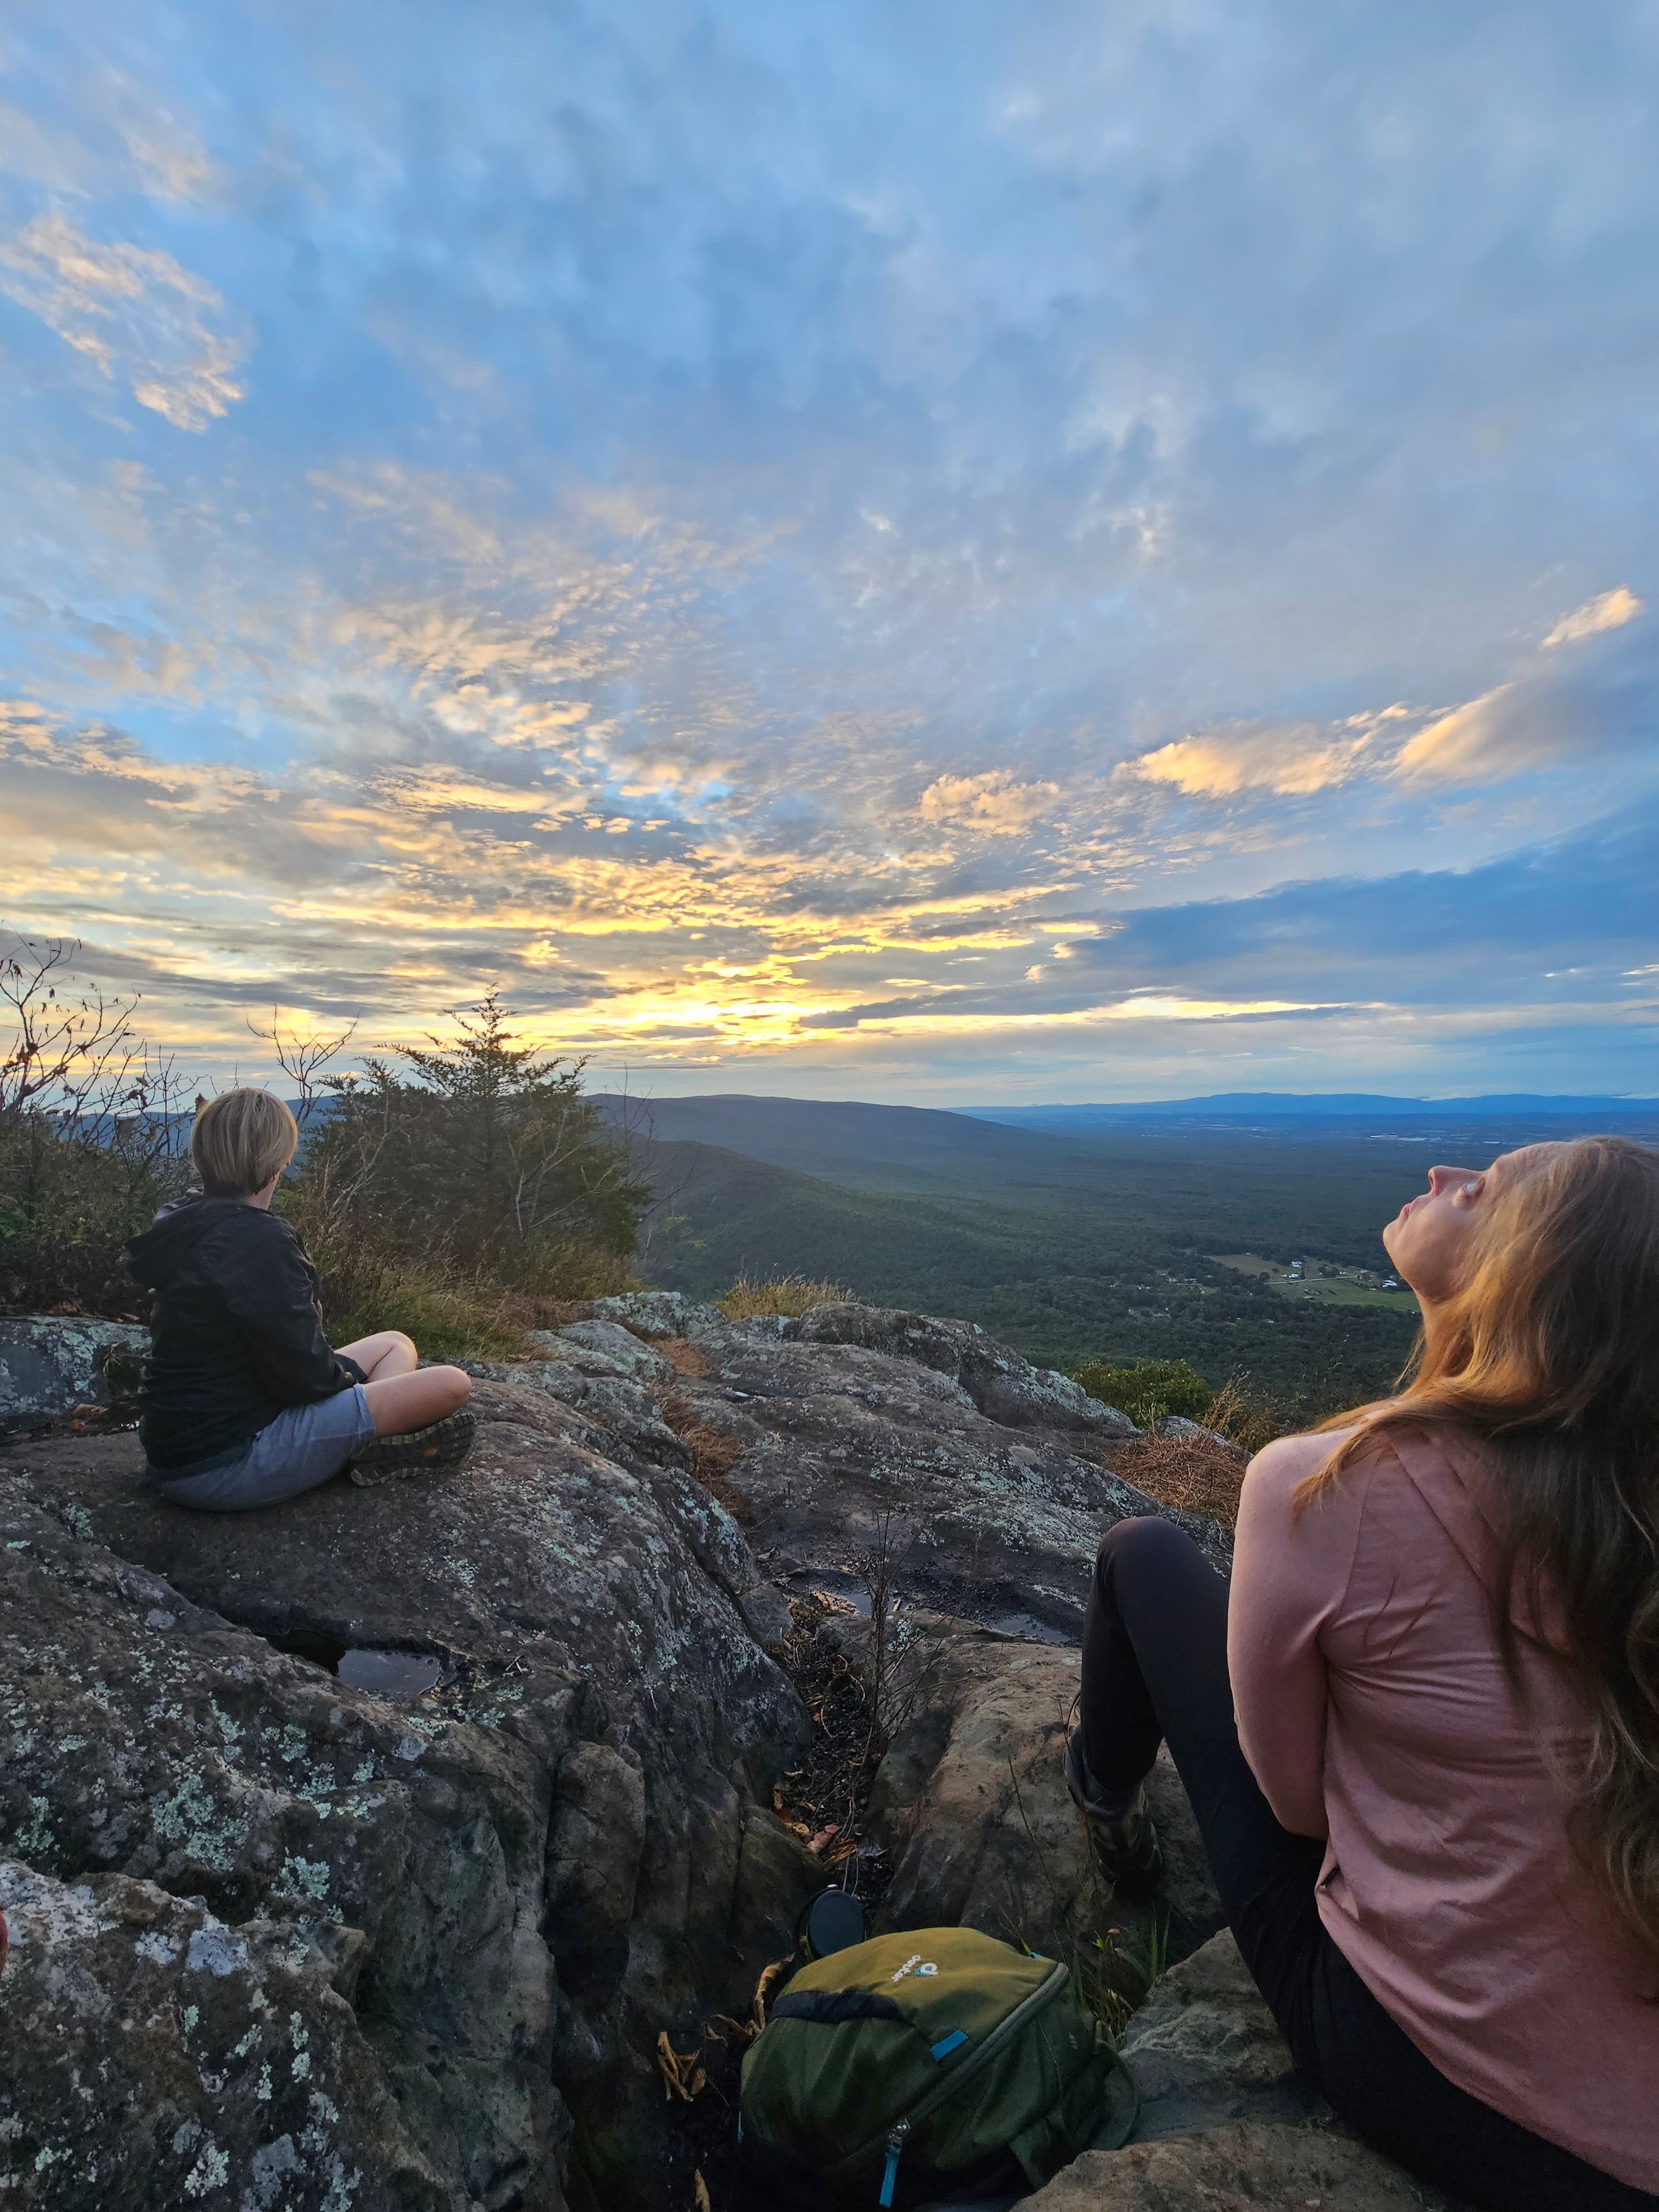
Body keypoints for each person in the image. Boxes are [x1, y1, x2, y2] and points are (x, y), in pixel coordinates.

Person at [1067, 1136, 1659, 2209]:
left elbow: (1296, 1808)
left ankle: (1101, 1800)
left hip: (1462, 2081)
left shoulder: (1324, 1485)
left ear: (1524, 1268)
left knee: (1143, 1555)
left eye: (1482, 1186)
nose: (1442, 1174)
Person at [129, 1087, 475, 1509]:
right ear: (278, 1163)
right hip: (227, 1463)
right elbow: (302, 1376)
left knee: (395, 1343)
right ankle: (363, 1446)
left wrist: (342, 1381)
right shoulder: (258, 1241)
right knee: (452, 1383)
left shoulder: (184, 1221)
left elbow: (279, 1358)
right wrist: (346, 1382)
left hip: (183, 1448)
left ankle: (365, 1445)